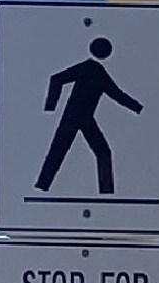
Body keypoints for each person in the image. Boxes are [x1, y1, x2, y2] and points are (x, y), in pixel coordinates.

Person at [34, 35, 142, 193]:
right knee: (59, 151)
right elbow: (56, 79)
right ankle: (42, 185)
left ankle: (106, 192)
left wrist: (138, 108)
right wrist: (50, 108)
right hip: (73, 115)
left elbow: (116, 94)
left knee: (102, 151)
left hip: (85, 117)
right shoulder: (89, 67)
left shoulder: (98, 71)